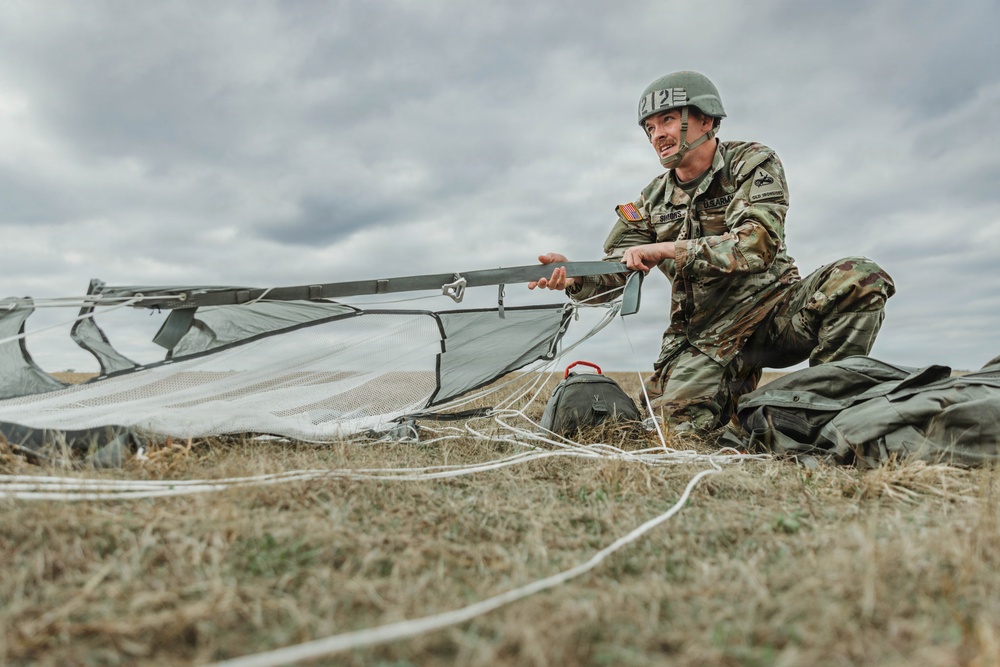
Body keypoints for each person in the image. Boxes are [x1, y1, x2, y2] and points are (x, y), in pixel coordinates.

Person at [529, 70, 895, 434]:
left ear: (705, 120)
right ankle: (742, 409)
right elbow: (618, 272)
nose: (658, 135)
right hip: (704, 336)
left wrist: (670, 249)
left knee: (860, 276)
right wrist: (576, 277)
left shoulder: (751, 163)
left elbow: (758, 244)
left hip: (776, 316)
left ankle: (830, 409)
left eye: (668, 120)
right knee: (677, 430)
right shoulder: (647, 201)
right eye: (650, 128)